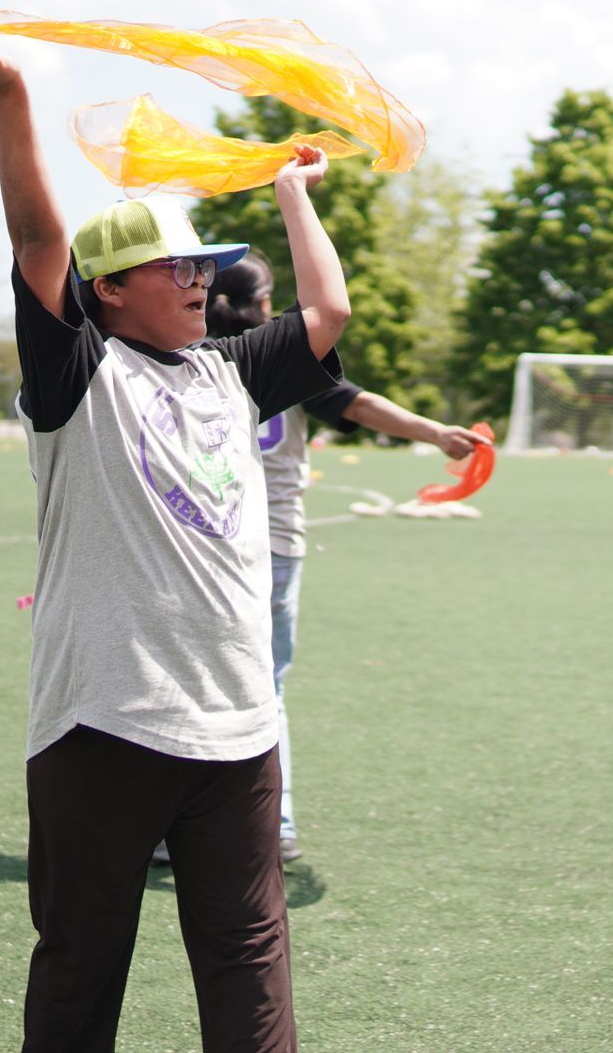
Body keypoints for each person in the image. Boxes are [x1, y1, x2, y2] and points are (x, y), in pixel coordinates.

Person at [0, 28, 351, 1053]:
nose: (194, 280)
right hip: (105, 724)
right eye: (169, 264)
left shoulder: (230, 369)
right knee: (83, 967)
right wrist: (11, 93)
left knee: (252, 966)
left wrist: (290, 190)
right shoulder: (78, 378)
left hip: (238, 730)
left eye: (200, 265)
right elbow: (40, 241)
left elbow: (328, 308)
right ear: (109, 289)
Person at [181, 251, 484, 865]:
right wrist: (437, 433)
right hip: (273, 544)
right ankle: (276, 823)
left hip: (202, 543)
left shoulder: (190, 355)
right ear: (263, 303)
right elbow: (358, 404)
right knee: (265, 688)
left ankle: (175, 831)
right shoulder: (277, 357)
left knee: (192, 684)